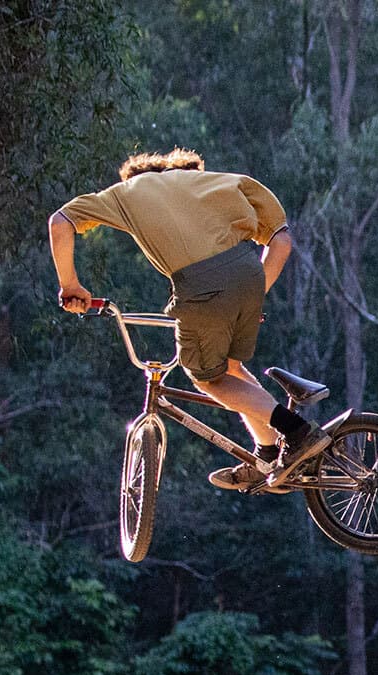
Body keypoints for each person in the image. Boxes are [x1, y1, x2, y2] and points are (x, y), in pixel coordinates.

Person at [48, 148, 328, 489]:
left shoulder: (129, 190)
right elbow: (281, 242)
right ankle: (267, 456)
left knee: (208, 380)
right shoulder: (222, 181)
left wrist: (70, 286)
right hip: (249, 272)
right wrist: (252, 298)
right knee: (230, 368)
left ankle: (296, 430)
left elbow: (60, 222)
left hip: (201, 287)